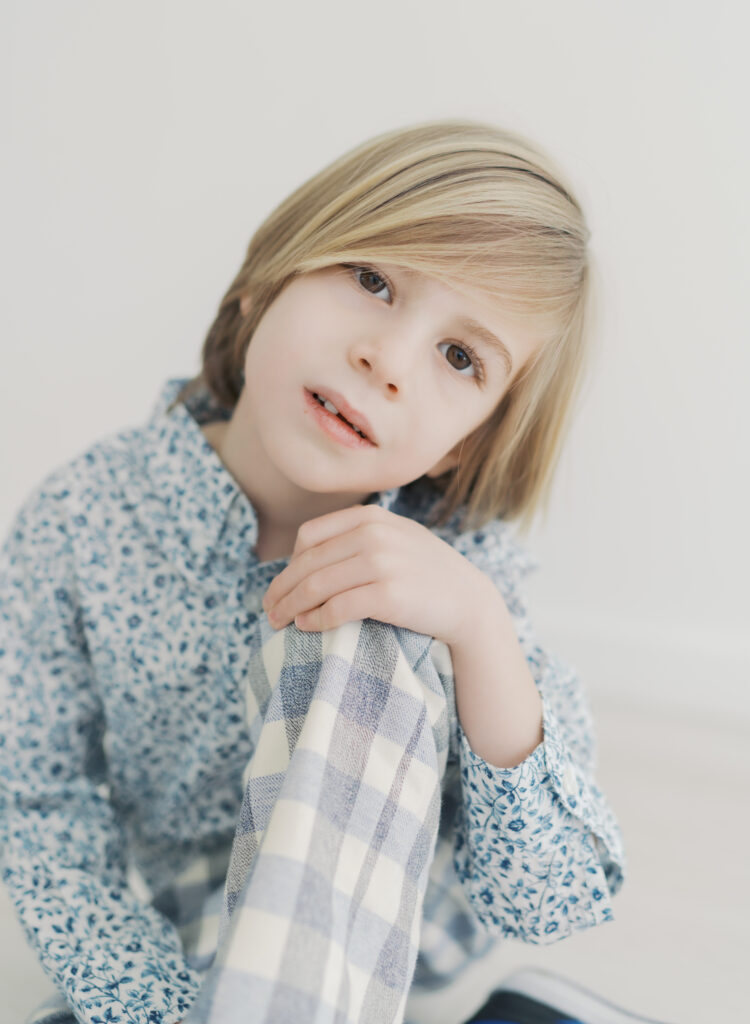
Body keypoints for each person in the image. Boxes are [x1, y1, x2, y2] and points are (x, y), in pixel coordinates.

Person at [0, 119, 625, 1024]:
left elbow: (553, 897)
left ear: (468, 445)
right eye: (371, 280)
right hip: (178, 939)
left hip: (381, 955)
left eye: (460, 356)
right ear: (264, 283)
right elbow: (35, 796)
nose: (387, 358)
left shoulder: (462, 570)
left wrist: (477, 628)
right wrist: (150, 1002)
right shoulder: (84, 520)